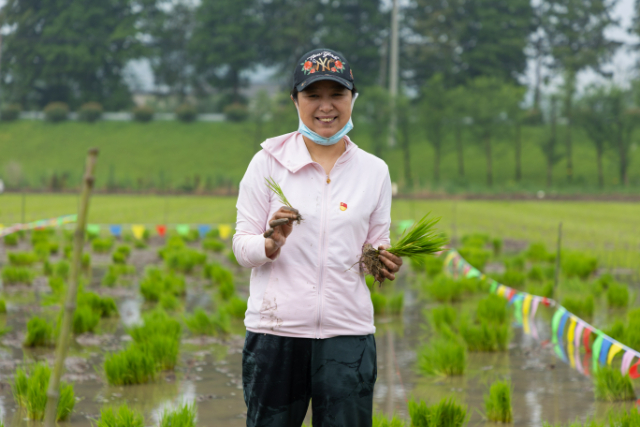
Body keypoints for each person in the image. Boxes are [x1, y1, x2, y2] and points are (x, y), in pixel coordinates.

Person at [232, 48, 403, 427]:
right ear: (295, 100)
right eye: (313, 95)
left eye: (337, 95)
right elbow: (241, 246)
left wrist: (385, 260)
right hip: (275, 334)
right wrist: (270, 244)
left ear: (352, 99)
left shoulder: (374, 171)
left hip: (348, 334)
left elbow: (378, 243)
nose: (326, 106)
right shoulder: (267, 163)